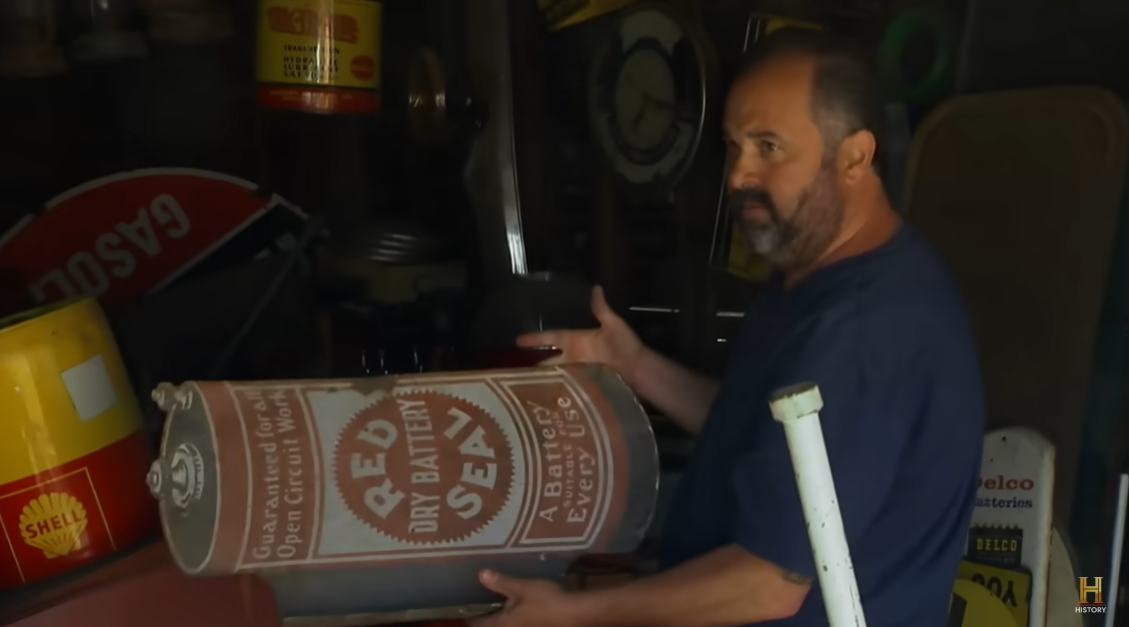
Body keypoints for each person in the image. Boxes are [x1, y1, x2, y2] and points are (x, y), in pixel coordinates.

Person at [471, 29, 985, 627]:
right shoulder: (812, 275)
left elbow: (770, 585)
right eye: (733, 145)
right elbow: (765, 433)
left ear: (854, 156)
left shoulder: (864, 330)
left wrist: (580, 614)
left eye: (769, 146)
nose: (739, 173)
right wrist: (636, 367)